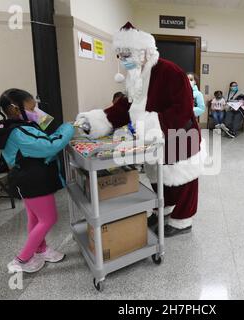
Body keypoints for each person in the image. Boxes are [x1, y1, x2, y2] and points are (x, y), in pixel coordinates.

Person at [76, 22, 205, 238]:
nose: (123, 60)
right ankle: (164, 207)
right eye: (120, 55)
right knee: (158, 174)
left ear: (143, 52)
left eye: (126, 54)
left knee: (184, 177)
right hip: (155, 138)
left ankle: (183, 219)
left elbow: (182, 110)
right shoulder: (136, 75)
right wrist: (99, 120)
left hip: (180, 134)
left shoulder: (171, 71)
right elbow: (124, 106)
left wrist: (149, 124)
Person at [0, 89, 74, 274]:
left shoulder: (21, 125)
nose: (37, 111)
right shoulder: (19, 132)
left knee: (35, 217)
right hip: (33, 181)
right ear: (16, 109)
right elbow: (50, 146)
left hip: (28, 178)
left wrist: (43, 119)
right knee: (49, 219)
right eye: (32, 107)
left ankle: (41, 249)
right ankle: (22, 259)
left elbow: (46, 131)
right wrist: (68, 128)